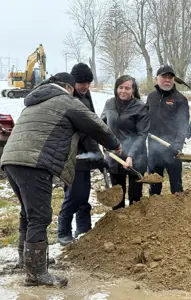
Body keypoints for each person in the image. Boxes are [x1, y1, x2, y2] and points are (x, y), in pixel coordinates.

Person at [1, 72, 121, 287]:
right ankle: (36, 273)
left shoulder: (35, 101)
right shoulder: (66, 101)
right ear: (67, 87)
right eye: (73, 88)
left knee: (26, 212)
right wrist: (115, 145)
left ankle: (26, 261)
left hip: (10, 159)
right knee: (40, 216)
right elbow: (94, 124)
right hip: (34, 163)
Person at [58, 62, 102, 246]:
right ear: (72, 82)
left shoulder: (85, 96)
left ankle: (83, 229)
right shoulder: (68, 99)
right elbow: (83, 130)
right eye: (82, 82)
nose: (86, 86)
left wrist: (95, 152)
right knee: (74, 194)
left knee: (83, 195)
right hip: (70, 154)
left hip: (85, 154)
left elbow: (92, 125)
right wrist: (96, 152)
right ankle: (63, 231)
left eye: (88, 82)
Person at [101, 75, 150, 209]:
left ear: (133, 90)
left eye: (127, 88)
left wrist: (131, 156)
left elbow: (142, 135)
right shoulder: (109, 104)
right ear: (116, 88)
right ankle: (118, 227)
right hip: (114, 157)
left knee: (135, 198)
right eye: (120, 87)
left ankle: (134, 228)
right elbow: (102, 125)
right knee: (117, 198)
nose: (123, 91)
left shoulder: (141, 107)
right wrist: (102, 141)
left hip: (135, 158)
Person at [146, 65, 189, 195]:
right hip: (154, 150)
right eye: (164, 77)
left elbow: (183, 125)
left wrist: (178, 144)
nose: (167, 80)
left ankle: (178, 213)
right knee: (154, 187)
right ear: (156, 79)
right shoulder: (151, 97)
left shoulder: (180, 99)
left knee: (176, 188)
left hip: (173, 150)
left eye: (170, 77)